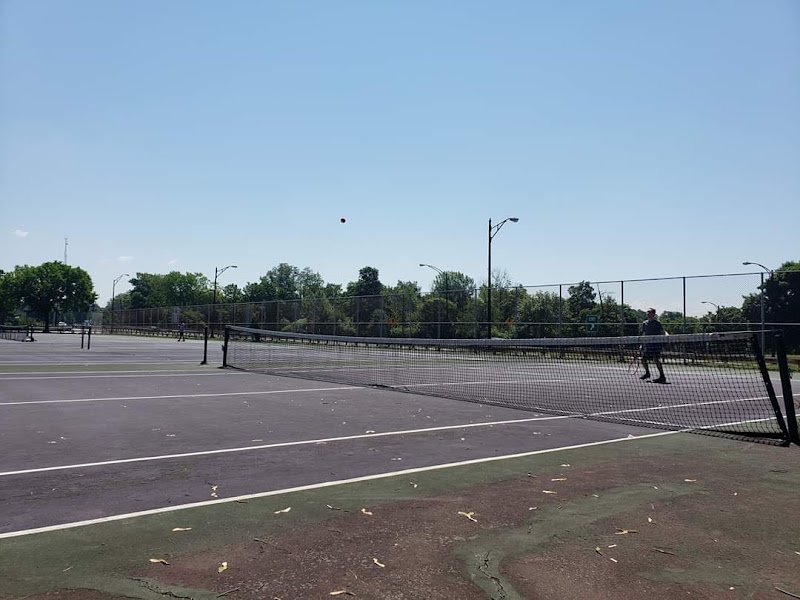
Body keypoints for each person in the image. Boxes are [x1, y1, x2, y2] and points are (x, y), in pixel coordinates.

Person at [640, 308, 667, 383]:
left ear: (653, 314)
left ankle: (662, 376)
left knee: (656, 360)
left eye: (649, 312)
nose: (648, 313)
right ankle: (647, 373)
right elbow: (644, 334)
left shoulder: (657, 323)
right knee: (643, 359)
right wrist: (642, 344)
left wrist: (662, 343)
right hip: (647, 345)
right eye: (647, 312)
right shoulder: (644, 323)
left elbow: (662, 332)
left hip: (656, 345)